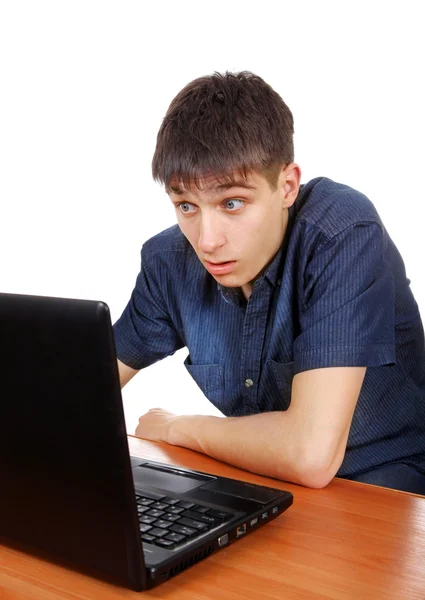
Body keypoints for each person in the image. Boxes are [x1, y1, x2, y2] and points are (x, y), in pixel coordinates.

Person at [113, 71, 425, 494]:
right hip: (261, 485)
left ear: (287, 185)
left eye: (233, 202)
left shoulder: (340, 232)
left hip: (385, 491)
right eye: (186, 205)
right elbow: (78, 390)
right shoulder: (169, 262)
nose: (207, 241)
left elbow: (310, 456)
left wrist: (177, 427)